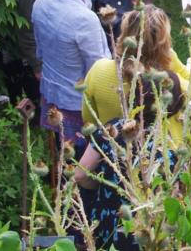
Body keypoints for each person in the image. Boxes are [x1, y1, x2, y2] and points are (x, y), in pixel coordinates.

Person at [75, 70, 182, 251]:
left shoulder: (113, 128)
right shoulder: (167, 150)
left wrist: (104, 185)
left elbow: (80, 174)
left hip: (107, 224)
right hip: (144, 234)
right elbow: (173, 200)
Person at [32, 0, 111, 143]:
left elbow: (39, 49)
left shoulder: (41, 0)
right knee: (80, 160)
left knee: (59, 153)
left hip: (50, 91)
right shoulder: (84, 19)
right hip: (76, 102)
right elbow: (98, 70)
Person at [81, 5, 190, 144]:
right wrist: (170, 58)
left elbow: (89, 120)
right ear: (164, 43)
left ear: (125, 34)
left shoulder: (98, 70)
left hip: (114, 153)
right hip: (161, 157)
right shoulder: (168, 83)